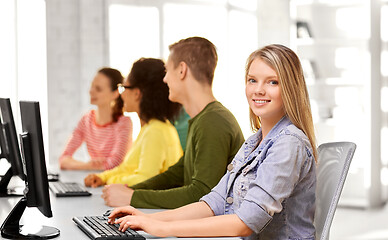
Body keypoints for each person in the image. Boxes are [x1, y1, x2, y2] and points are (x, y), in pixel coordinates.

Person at [107, 44, 318, 240]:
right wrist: (149, 219)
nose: (259, 90)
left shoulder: (289, 143)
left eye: (272, 82)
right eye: (252, 80)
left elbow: (245, 222)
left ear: (290, 88)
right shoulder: (255, 141)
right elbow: (214, 201)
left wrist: (163, 229)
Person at [100, 37, 245, 208]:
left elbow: (202, 194)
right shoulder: (203, 119)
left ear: (182, 70)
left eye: (168, 71)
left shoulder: (212, 122)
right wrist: (129, 190)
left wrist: (132, 197)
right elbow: (176, 174)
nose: (165, 79)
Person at [84, 58, 183, 188]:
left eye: (124, 87)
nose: (122, 95)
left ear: (137, 93)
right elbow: (126, 168)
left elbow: (145, 179)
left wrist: (109, 181)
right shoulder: (150, 128)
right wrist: (102, 177)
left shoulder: (156, 131)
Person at [60, 68, 133, 170]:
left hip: (116, 181)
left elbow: (115, 164)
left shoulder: (124, 123)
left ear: (115, 93)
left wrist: (85, 166)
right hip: (94, 180)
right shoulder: (86, 120)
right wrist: (86, 166)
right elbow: (63, 159)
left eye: (98, 89)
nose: (91, 91)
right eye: (92, 86)